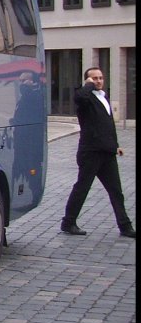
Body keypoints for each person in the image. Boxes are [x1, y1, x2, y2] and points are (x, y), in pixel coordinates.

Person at [60, 67, 136, 238]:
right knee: (82, 188)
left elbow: (107, 123)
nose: (99, 81)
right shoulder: (84, 98)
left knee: (116, 190)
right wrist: (87, 86)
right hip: (91, 152)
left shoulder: (103, 97)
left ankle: (125, 226)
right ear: (87, 81)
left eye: (101, 78)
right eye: (94, 78)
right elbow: (79, 96)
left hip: (107, 152)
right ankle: (68, 222)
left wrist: (115, 145)